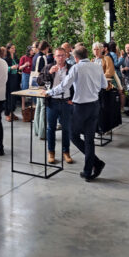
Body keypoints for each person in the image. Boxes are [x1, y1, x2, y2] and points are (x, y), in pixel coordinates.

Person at [46, 46, 107, 181]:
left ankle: (96, 163)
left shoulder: (76, 67)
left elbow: (64, 86)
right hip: (94, 105)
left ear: (76, 57)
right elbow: (104, 85)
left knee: (73, 135)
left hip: (81, 107)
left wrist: (49, 92)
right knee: (89, 139)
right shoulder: (97, 66)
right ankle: (88, 170)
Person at [37, 47, 74, 164]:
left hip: (66, 102)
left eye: (63, 55)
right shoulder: (49, 67)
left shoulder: (71, 68)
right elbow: (39, 81)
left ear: (66, 56)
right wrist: (49, 73)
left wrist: (73, 98)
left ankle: (66, 152)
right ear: (54, 57)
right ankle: (51, 152)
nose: (61, 58)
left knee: (66, 129)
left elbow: (77, 85)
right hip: (52, 102)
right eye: (58, 56)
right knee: (51, 128)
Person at [32, 41, 50, 139]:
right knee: (43, 107)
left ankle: (36, 130)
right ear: (46, 48)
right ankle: (42, 133)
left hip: (34, 82)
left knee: (38, 106)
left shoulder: (35, 56)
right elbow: (44, 72)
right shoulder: (43, 57)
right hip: (41, 82)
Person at [4, 43, 20, 122]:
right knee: (8, 96)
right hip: (9, 79)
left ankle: (12, 112)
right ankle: (7, 113)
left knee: (14, 96)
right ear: (8, 49)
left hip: (15, 77)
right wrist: (11, 67)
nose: (14, 49)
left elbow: (18, 65)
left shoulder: (16, 58)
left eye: (14, 48)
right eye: (12, 48)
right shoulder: (6, 59)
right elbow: (4, 68)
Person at [19, 46, 34, 115]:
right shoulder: (23, 57)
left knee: (33, 90)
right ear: (29, 51)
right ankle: (23, 106)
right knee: (24, 90)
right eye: (31, 50)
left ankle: (33, 106)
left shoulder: (34, 57)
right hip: (25, 74)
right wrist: (25, 65)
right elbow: (20, 68)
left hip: (33, 75)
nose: (33, 51)